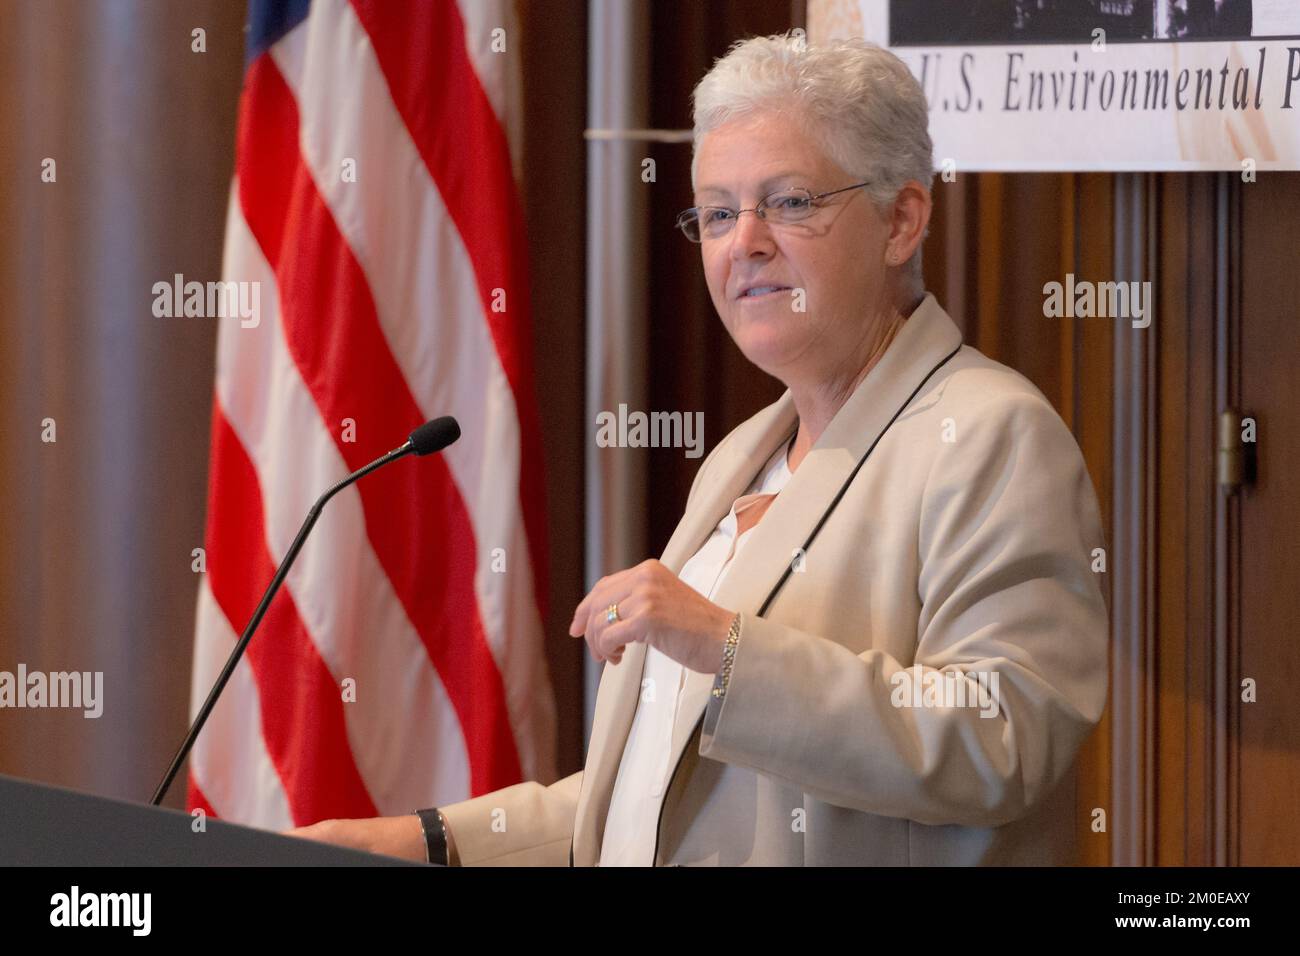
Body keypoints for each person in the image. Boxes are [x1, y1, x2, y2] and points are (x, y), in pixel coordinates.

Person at [287, 32, 1108, 866]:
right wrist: (430, 843)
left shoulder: (988, 433)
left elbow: (1003, 737)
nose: (743, 242)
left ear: (901, 220)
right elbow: (659, 794)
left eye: (789, 203)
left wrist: (723, 647)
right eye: (717, 213)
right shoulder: (741, 457)